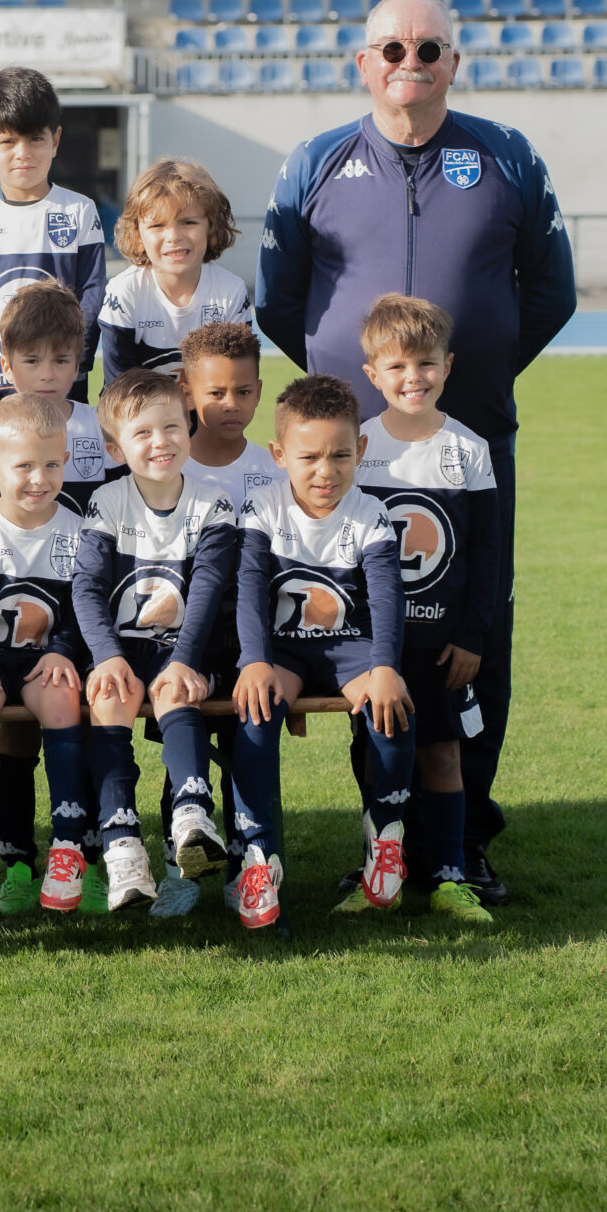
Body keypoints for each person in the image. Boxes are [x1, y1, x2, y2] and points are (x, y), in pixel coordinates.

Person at [254, 0, 577, 905]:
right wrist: (347, 395)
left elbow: (550, 293)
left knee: (475, 636)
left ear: (453, 62)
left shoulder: (508, 156)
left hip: (468, 452)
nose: (411, 62)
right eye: (392, 49)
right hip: (350, 463)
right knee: (371, 636)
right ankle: (386, 834)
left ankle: (464, 839)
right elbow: (280, 300)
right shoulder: (316, 161)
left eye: (429, 48)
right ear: (364, 63)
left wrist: (474, 382)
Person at [228, 375, 407, 932]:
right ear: (279, 454)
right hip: (284, 651)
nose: (325, 471)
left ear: (361, 450)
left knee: (390, 709)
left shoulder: (369, 513)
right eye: (308, 457)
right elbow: (250, 589)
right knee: (254, 712)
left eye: (340, 456)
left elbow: (387, 597)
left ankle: (386, 839)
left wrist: (386, 668)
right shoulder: (263, 507)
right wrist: (254, 661)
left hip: (350, 647)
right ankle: (259, 859)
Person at [72, 370, 240, 916]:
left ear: (189, 426)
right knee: (109, 697)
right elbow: (86, 587)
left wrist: (185, 660)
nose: (160, 441)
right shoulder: (107, 500)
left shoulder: (213, 502)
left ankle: (192, 812)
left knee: (175, 691)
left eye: (171, 426)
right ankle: (122, 844)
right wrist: (107, 657)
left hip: (186, 646)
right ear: (115, 448)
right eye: (142, 433)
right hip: (122, 647)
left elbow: (209, 587)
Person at [354, 293, 499, 924]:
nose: (413, 378)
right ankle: (378, 871)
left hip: (444, 647)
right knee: (376, 755)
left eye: (426, 364)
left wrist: (472, 636)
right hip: (376, 648)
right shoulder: (358, 446)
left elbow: (488, 554)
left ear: (448, 364)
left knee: (443, 754)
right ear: (373, 374)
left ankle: (448, 874)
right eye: (397, 367)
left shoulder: (469, 450)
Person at [0, 394, 90, 919]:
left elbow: (86, 608)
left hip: (42, 661)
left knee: (63, 700)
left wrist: (64, 651)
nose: (39, 479)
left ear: (66, 460)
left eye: (51, 465)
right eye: (24, 465)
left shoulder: (78, 533)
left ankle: (68, 845)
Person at [0, 67, 106, 421]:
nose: (23, 153)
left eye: (35, 139)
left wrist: (72, 372)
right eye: (8, 142)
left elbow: (92, 298)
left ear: (55, 140)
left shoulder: (78, 211)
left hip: (64, 396)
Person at [0, 280, 115, 517]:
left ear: (76, 367)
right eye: (32, 361)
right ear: (7, 367)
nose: (47, 375)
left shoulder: (101, 427)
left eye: (60, 361)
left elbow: (119, 510)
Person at [98, 158, 251, 384]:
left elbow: (235, 387)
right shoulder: (125, 292)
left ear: (212, 229)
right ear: (137, 236)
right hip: (138, 407)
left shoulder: (230, 292)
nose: (173, 236)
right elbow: (118, 392)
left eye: (188, 222)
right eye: (157, 225)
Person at [178, 320, 278, 513]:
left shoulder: (277, 473)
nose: (231, 405)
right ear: (188, 396)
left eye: (243, 392)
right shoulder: (166, 474)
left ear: (258, 392)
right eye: (216, 393)